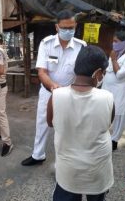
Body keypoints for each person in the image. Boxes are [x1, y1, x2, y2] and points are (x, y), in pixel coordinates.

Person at [47, 45, 114, 201]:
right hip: (97, 170)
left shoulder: (56, 96)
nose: (102, 76)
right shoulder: (107, 97)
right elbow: (107, 124)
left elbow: (50, 123)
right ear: (98, 73)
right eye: (103, 73)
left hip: (68, 171)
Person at [21, 10, 87, 166]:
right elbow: (42, 72)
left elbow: (83, 73)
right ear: (57, 27)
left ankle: (63, 163)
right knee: (42, 123)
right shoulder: (47, 44)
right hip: (48, 92)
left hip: (70, 94)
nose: (68, 31)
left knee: (66, 129)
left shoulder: (81, 46)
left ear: (76, 26)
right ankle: (38, 155)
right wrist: (52, 87)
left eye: (71, 28)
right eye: (64, 28)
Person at [102, 30, 125, 151]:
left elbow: (120, 75)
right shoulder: (115, 52)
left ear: (124, 43)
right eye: (113, 41)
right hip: (107, 87)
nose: (113, 43)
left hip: (120, 88)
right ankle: (104, 136)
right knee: (105, 111)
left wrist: (113, 59)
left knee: (119, 114)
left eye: (116, 41)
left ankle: (114, 139)